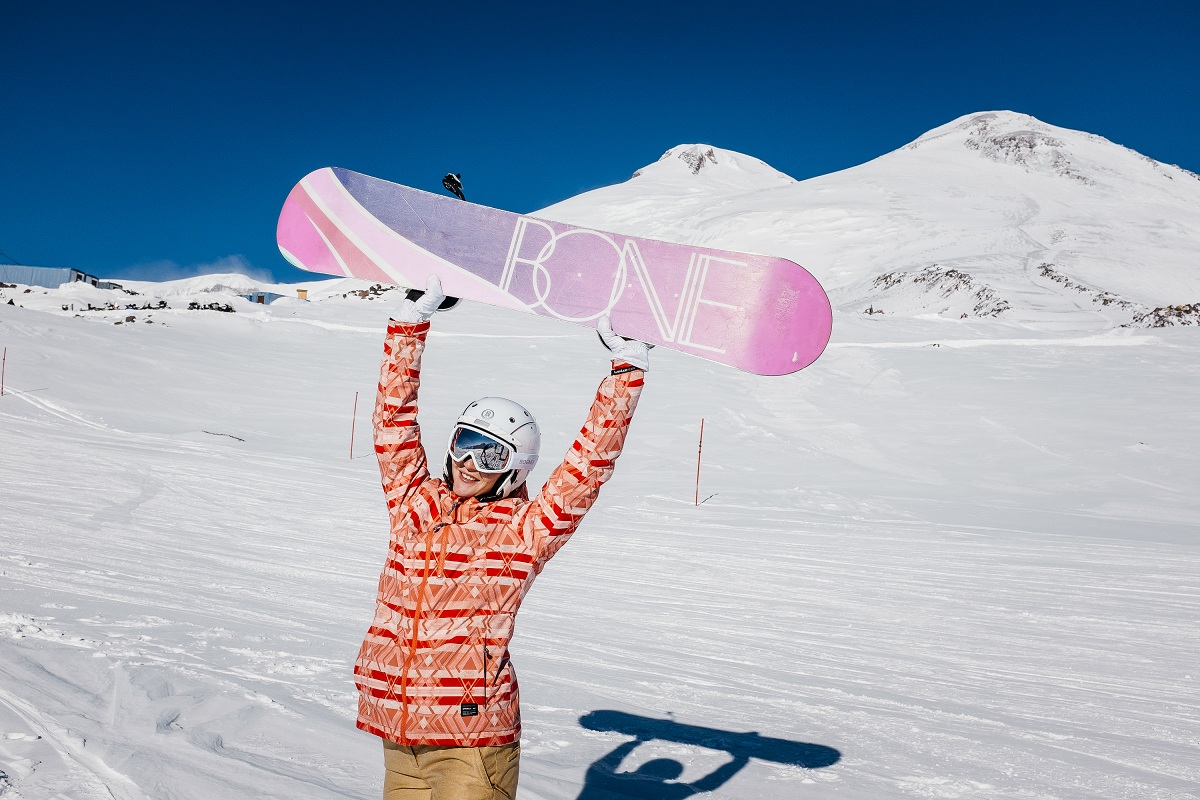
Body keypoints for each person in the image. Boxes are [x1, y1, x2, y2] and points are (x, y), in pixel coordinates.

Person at [355, 276, 649, 800]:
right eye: (464, 444)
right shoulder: (413, 504)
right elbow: (392, 422)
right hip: (398, 738)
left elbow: (587, 469)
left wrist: (624, 376)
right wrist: (409, 326)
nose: (469, 464)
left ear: (514, 468)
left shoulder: (525, 531)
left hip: (471, 742)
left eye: (490, 455)